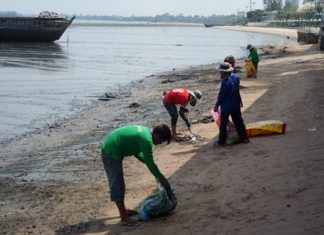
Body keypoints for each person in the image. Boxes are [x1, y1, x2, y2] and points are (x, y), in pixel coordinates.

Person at [101, 124, 172, 226]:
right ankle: (124, 217)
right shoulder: (146, 140)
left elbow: (136, 151)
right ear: (156, 135)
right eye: (161, 141)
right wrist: (162, 178)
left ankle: (124, 211)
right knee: (117, 184)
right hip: (110, 151)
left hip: (113, 145)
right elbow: (151, 163)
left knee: (119, 183)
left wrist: (149, 164)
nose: (160, 143)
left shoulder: (146, 133)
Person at [213, 62, 249, 146]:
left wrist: (217, 105)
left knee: (223, 124)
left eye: (221, 71)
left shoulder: (225, 82)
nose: (220, 73)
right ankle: (244, 138)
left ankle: (221, 142)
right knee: (239, 122)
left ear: (223, 72)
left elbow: (221, 95)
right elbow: (236, 91)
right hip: (235, 104)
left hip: (226, 106)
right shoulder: (236, 78)